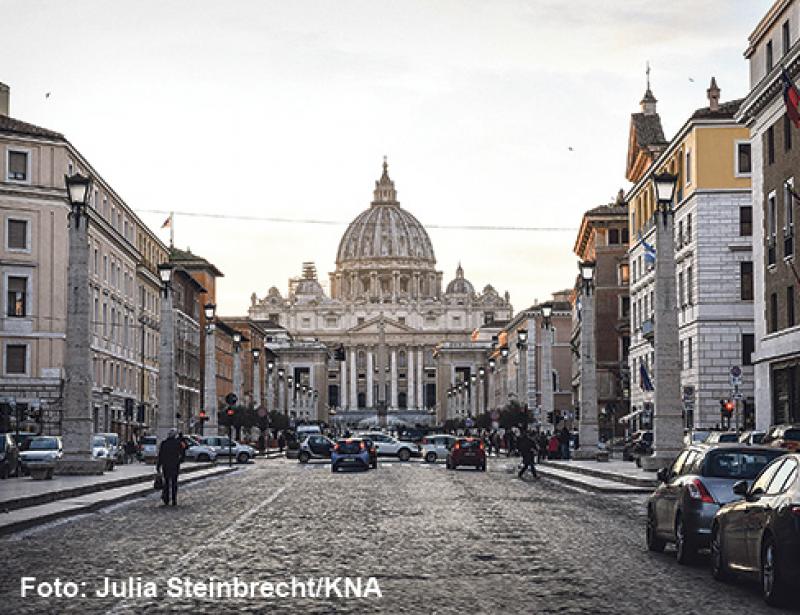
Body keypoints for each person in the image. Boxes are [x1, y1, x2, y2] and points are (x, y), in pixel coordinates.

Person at [156, 429, 184, 506]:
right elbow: (183, 451)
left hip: (166, 465)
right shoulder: (178, 443)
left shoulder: (164, 443)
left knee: (167, 482)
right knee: (174, 483)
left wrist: (158, 466)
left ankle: (167, 498)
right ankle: (174, 499)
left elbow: (160, 455)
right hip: (175, 465)